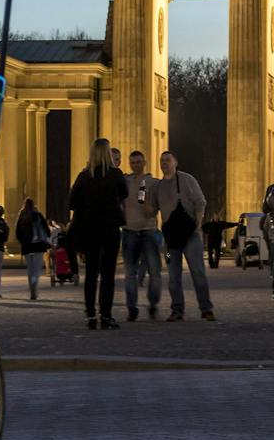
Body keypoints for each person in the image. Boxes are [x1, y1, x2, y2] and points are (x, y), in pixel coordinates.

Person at [68, 138, 128, 329]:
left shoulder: (84, 176)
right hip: (110, 229)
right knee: (108, 274)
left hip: (89, 229)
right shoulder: (116, 174)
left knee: (91, 273)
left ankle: (91, 316)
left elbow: (71, 203)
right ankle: (106, 315)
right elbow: (124, 193)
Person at [155, 150, 214, 322]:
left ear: (175, 162)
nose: (164, 163)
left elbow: (200, 201)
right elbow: (149, 209)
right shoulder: (157, 186)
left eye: (168, 160)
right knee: (173, 275)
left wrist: (198, 223)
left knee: (198, 271)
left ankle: (206, 308)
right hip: (169, 241)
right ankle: (177, 310)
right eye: (162, 160)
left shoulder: (187, 179)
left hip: (191, 236)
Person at [120, 150, 163, 322]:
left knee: (154, 272)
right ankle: (132, 307)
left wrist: (149, 208)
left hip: (148, 231)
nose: (135, 165)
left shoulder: (153, 183)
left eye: (138, 162)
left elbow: (157, 207)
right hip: (129, 231)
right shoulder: (124, 182)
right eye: (132, 162)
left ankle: (153, 303)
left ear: (144, 162)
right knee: (130, 273)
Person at [15, 196, 52, 301]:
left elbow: (17, 232)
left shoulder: (21, 216)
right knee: (36, 269)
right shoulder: (38, 215)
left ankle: (32, 288)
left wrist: (23, 242)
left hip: (27, 246)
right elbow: (47, 231)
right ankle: (34, 289)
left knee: (30, 269)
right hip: (38, 246)